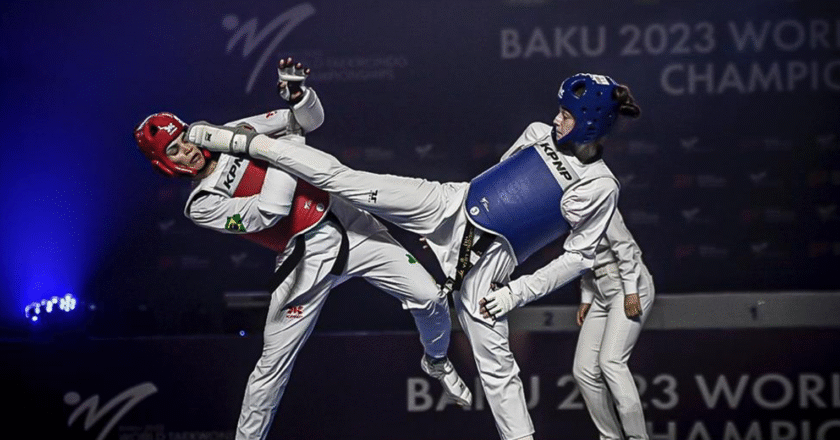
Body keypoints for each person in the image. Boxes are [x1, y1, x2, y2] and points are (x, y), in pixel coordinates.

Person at [186, 72, 641, 440]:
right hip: (448, 204)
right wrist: (446, 232)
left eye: (566, 113)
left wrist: (514, 294)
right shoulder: (538, 132)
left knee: (499, 374)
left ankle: (442, 364)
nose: (557, 118)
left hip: (490, 268)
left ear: (591, 123)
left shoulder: (600, 187)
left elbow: (579, 257)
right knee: (349, 180)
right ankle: (240, 143)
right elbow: (498, 180)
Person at [133, 58, 471, 440]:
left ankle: (437, 362)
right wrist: (283, 149)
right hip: (304, 258)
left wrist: (300, 97)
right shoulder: (202, 203)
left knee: (431, 298)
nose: (188, 151)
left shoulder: (231, 133)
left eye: (185, 138)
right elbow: (269, 212)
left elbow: (308, 121)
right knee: (272, 366)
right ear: (164, 163)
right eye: (175, 150)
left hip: (351, 223)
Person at [573, 209, 654, 440]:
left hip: (628, 283)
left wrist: (631, 291)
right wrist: (587, 297)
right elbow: (583, 255)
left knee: (611, 361)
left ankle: (638, 438)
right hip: (600, 289)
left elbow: (625, 247)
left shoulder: (599, 197)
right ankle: (610, 437)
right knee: (583, 370)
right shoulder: (565, 209)